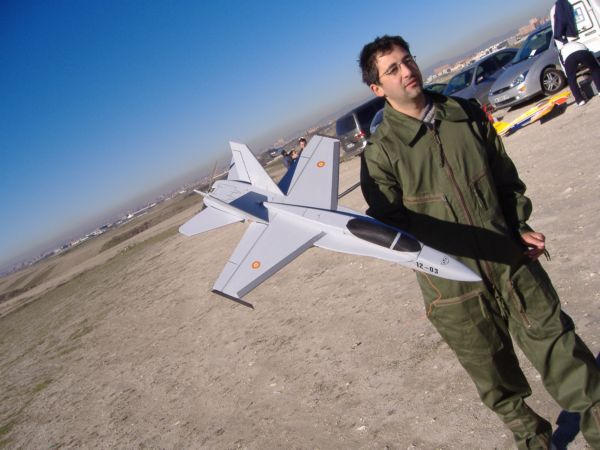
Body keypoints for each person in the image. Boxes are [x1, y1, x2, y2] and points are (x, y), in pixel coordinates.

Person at [358, 35, 600, 449]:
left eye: (407, 60)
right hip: (453, 288)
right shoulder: (380, 154)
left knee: (564, 353)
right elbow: (393, 232)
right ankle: (533, 440)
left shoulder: (464, 114)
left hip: (511, 262)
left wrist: (518, 225)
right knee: (495, 379)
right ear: (377, 88)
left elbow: (504, 179)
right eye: (392, 69)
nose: (407, 70)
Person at [551, 0, 600, 105]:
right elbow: (588, 54)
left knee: (572, 79)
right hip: (582, 50)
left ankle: (579, 100)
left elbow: (565, 66)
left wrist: (568, 72)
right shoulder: (580, 44)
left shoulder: (562, 50)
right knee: (595, 69)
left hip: (569, 56)